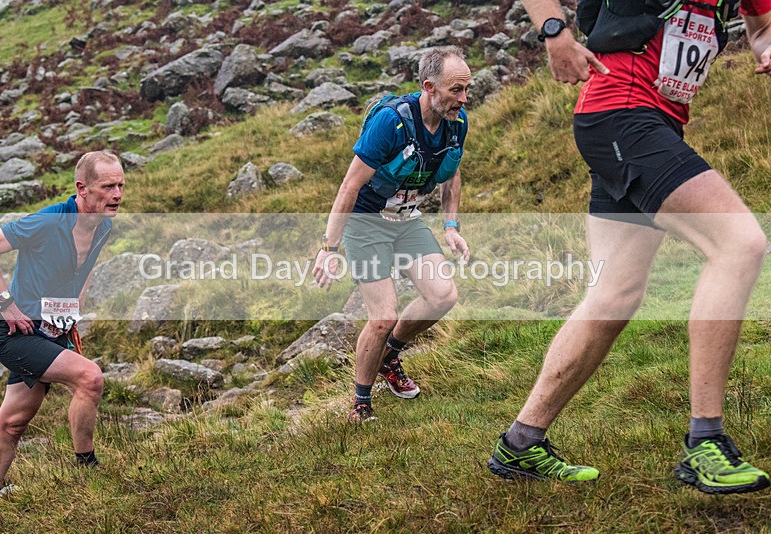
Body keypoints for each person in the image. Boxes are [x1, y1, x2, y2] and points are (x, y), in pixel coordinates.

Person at [487, 0, 771, 494]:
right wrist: (554, 32)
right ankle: (705, 442)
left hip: (651, 120)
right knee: (739, 243)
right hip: (621, 111)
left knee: (614, 296)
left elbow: (761, 23)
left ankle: (520, 443)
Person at [313, 46, 472, 423]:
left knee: (443, 295)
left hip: (406, 219)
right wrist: (328, 248)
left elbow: (452, 171)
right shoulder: (391, 122)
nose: (463, 100)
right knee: (382, 317)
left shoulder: (456, 121)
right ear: (428, 86)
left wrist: (450, 226)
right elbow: (350, 186)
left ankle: (389, 356)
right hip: (366, 220)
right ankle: (361, 402)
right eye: (456, 90)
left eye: (467, 89)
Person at [0, 151, 124, 500]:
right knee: (91, 378)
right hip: (18, 333)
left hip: (54, 332)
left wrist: (74, 309)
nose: (116, 194)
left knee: (13, 422)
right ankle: (87, 467)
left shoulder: (103, 224)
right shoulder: (48, 221)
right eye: (108, 186)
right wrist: (6, 305)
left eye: (120, 185)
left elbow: (83, 269)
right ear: (82, 188)